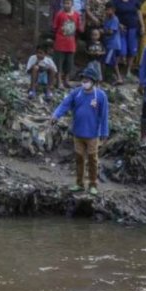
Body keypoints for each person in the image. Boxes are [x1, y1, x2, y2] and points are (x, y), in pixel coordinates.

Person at [51, 65, 109, 196]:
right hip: (78, 132)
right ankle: (79, 183)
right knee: (79, 158)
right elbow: (64, 105)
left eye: (88, 80)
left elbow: (104, 116)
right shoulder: (76, 93)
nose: (85, 82)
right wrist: (56, 115)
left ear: (93, 81)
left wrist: (104, 133)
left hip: (93, 134)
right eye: (83, 80)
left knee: (93, 159)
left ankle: (93, 184)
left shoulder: (100, 96)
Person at [112, 0, 145, 80]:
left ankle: (128, 71)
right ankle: (115, 71)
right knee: (122, 51)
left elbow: (139, 12)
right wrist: (118, 24)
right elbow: (112, 13)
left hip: (133, 27)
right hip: (121, 28)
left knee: (132, 50)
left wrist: (142, 25)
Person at [53, 0, 81, 89]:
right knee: (59, 63)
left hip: (71, 43)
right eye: (65, 3)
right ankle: (59, 81)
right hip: (60, 42)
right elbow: (55, 27)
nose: (66, 5)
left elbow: (77, 28)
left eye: (68, 3)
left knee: (69, 63)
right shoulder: (59, 14)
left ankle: (66, 80)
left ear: (72, 4)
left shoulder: (76, 15)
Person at [102, 1, 123, 84]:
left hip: (112, 44)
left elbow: (111, 32)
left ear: (113, 10)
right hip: (108, 43)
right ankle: (117, 77)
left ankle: (114, 77)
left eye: (109, 10)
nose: (107, 11)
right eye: (106, 10)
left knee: (109, 62)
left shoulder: (114, 19)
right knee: (112, 62)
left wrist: (102, 32)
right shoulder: (106, 18)